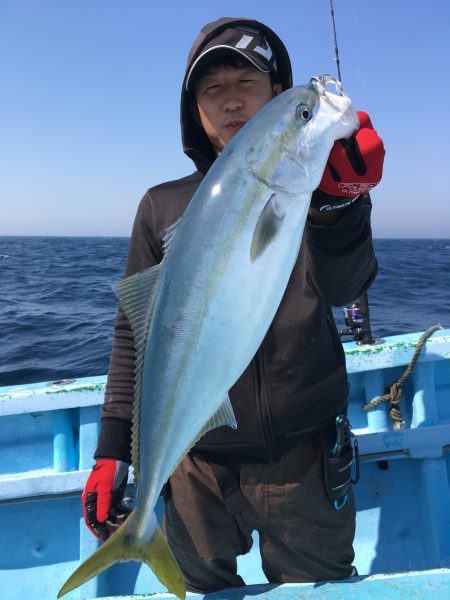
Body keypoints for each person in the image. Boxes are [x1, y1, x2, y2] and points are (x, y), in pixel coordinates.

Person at [82, 17, 385, 594]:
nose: (230, 102)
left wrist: (340, 207)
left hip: (304, 456)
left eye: (245, 81)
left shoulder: (314, 196)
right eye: (211, 89)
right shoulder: (160, 207)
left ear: (275, 92)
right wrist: (111, 450)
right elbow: (133, 338)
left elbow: (347, 286)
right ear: (194, 109)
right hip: (194, 466)